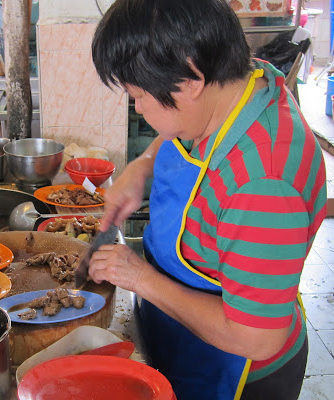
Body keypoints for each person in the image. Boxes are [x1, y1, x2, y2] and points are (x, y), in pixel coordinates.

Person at [89, 0, 327, 399]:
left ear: (191, 80)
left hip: (236, 372)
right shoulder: (238, 83)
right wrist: (143, 167)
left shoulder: (263, 185)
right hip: (183, 340)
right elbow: (181, 135)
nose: (138, 107)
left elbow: (256, 337)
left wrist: (139, 278)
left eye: (141, 94)